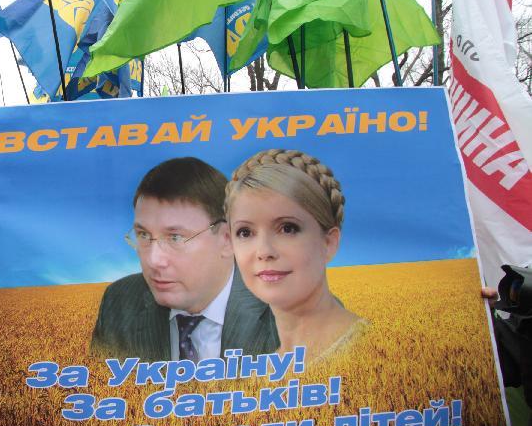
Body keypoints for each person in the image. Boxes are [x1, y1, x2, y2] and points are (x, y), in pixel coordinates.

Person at [90, 157, 278, 363]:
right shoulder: (120, 302)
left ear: (227, 239)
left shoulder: (280, 306)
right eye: (143, 235)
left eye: (175, 238)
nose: (154, 260)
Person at [224, 149, 365, 364]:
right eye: (245, 232)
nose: (264, 252)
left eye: (288, 229)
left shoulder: (374, 349)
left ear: (329, 243)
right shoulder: (257, 369)